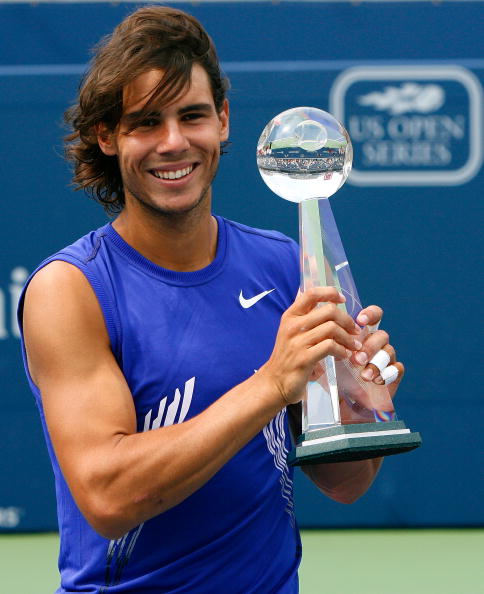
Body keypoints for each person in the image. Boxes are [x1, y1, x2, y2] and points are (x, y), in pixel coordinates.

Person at [18, 6, 404, 593]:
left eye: (192, 116)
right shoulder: (69, 290)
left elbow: (345, 484)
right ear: (107, 137)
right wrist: (272, 384)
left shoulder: (282, 263)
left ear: (223, 121)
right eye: (145, 122)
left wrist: (354, 407)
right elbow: (108, 495)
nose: (173, 143)